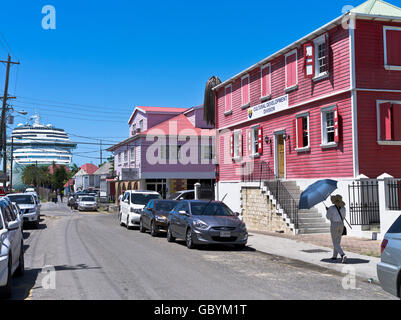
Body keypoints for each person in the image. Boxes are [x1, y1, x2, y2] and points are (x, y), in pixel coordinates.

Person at [326, 194, 347, 263]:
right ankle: (334, 256)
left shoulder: (331, 208)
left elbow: (328, 217)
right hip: (341, 224)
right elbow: (343, 217)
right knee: (337, 241)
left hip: (334, 224)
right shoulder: (344, 208)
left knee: (335, 242)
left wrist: (327, 210)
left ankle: (342, 255)